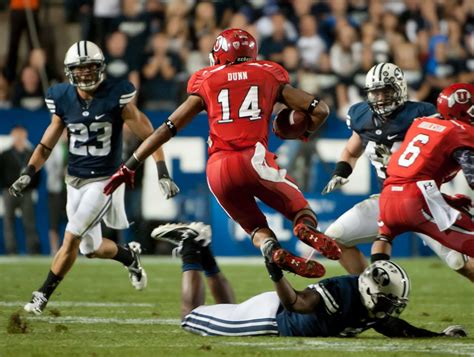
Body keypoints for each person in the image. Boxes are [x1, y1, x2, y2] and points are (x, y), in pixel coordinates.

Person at [104, 28, 342, 279]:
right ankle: (304, 229)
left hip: (218, 170)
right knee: (302, 212)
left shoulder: (206, 79)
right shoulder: (268, 73)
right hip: (253, 160)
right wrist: (302, 131)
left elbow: (167, 128)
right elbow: (321, 110)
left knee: (255, 227)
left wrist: (130, 164)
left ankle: (272, 250)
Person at [9, 40, 180, 315]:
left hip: (105, 180)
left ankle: (42, 295)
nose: (86, 75)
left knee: (72, 236)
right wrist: (28, 172)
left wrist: (162, 171)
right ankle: (129, 257)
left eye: (90, 69)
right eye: (80, 69)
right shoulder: (62, 97)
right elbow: (46, 145)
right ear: (70, 72)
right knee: (90, 247)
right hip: (73, 180)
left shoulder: (116, 95)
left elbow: (151, 135)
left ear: (100, 68)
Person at [152, 222, 467, 338]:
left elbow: (393, 326)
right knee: (189, 318)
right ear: (371, 291)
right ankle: (192, 247)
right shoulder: (341, 292)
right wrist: (275, 272)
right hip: (269, 319)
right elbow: (295, 301)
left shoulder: (370, 304)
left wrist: (437, 335)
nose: (389, 308)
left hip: (270, 313)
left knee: (229, 308)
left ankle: (203, 250)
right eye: (387, 300)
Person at [321, 63, 474, 281]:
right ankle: (372, 292)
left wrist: (398, 161)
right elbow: (351, 150)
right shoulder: (362, 115)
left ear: (400, 88)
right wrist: (341, 172)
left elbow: (452, 147)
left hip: (424, 196)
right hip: (387, 198)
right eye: (375, 92)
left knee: (458, 260)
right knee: (335, 239)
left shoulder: (423, 113)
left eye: (386, 91)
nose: (381, 97)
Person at [372, 83, 474, 260]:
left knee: (384, 237)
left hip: (388, 196)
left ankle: (375, 280)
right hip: (416, 198)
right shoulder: (459, 132)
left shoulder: (422, 122)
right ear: (461, 110)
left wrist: (447, 200)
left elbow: (412, 168)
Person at [0, 125, 41, 254]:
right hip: (9, 191)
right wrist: (5, 187)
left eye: (21, 134)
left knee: (29, 222)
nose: (18, 137)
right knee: (8, 222)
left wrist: (31, 187)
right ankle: (11, 250)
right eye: (16, 134)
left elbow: (37, 173)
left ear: (25, 136)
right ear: (12, 136)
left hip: (26, 193)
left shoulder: (30, 154)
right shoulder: (5, 154)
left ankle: (33, 250)